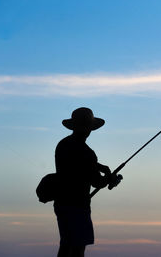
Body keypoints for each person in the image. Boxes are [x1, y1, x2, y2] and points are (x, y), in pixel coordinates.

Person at [54, 107, 121, 257]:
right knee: (78, 248)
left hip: (62, 202)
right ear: (90, 129)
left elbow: (74, 164)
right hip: (78, 205)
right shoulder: (87, 153)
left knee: (66, 245)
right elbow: (97, 182)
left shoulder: (63, 145)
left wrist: (99, 166)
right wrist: (109, 179)